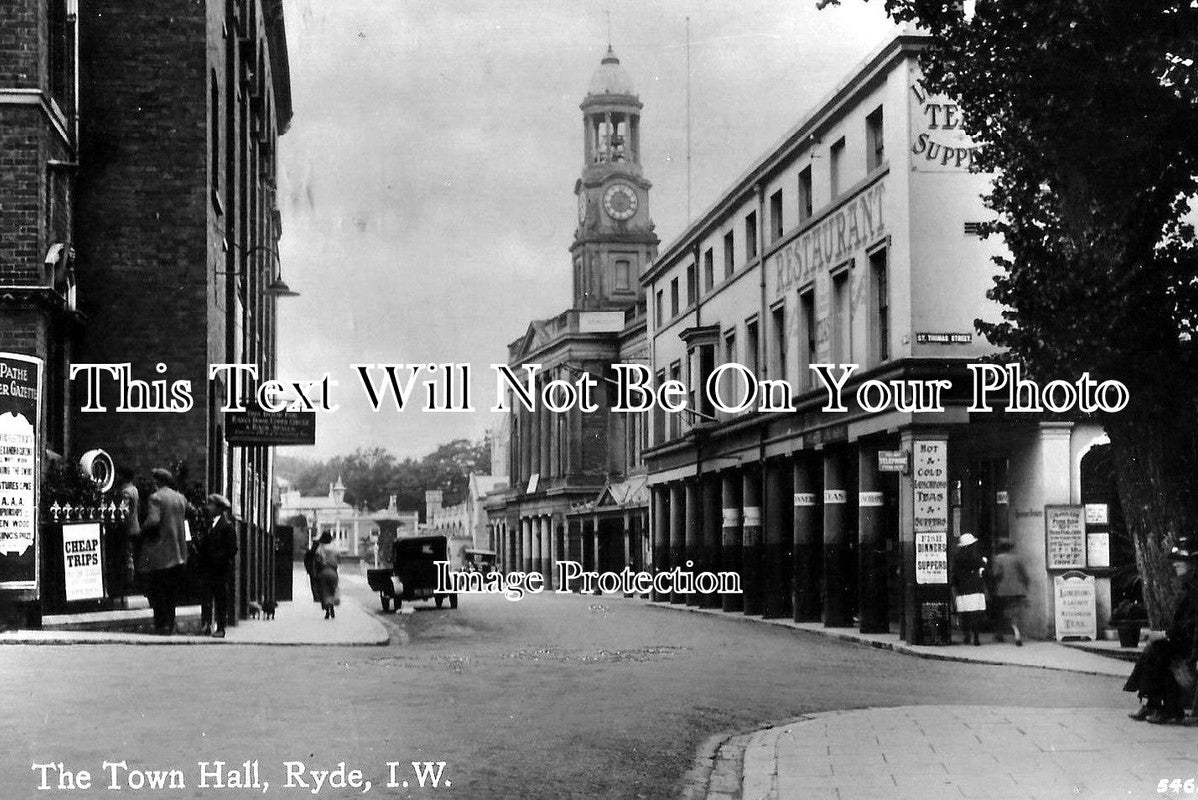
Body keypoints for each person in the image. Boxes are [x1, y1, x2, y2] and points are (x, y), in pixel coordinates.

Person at [1124, 536, 1198, 724]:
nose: (1176, 565)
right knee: (1154, 650)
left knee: (1157, 652)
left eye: (1181, 561)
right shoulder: (1190, 588)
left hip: (1192, 644)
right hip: (1186, 640)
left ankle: (1162, 707)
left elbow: (1189, 625)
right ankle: (1155, 705)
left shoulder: (1194, 591)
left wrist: (1164, 635)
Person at [138, 468, 190, 635]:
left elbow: (153, 521)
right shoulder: (180, 498)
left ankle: (161, 625)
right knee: (172, 593)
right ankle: (171, 624)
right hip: (179, 553)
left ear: (157, 482)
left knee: (158, 591)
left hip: (161, 552)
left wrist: (141, 531)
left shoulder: (156, 498)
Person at [195, 494, 237, 638]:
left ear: (219, 508)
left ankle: (220, 628)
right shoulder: (210, 524)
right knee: (206, 598)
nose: (208, 507)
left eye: (211, 504)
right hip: (208, 569)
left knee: (220, 599)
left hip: (220, 570)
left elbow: (232, 549)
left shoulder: (227, 526)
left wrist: (217, 558)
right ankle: (206, 625)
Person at [991, 541, 1030, 646]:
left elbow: (996, 574)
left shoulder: (997, 559)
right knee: (1014, 612)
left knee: (1001, 613)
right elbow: (1025, 575)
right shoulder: (1016, 558)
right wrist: (1025, 587)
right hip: (1018, 590)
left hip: (1003, 591)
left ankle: (1002, 634)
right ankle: (1016, 633)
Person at [952, 533, 988, 646]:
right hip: (975, 587)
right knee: (976, 614)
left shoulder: (957, 558)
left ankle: (967, 636)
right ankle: (976, 638)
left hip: (962, 588)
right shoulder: (976, 557)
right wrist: (984, 562)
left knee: (965, 614)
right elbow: (983, 566)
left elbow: (955, 574)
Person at [115, 465, 140, 597]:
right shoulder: (134, 489)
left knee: (128, 555)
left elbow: (124, 510)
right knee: (133, 554)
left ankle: (129, 582)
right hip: (136, 525)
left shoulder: (126, 492)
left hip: (128, 527)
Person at [314, 531, 340, 620]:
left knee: (324, 591)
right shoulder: (335, 549)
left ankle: (327, 610)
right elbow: (339, 560)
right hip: (333, 572)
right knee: (332, 590)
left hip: (323, 571)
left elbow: (317, 561)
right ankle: (331, 606)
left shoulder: (319, 549)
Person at [303, 536, 321, 603]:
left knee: (313, 583)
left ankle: (316, 597)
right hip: (317, 570)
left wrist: (307, 569)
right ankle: (318, 596)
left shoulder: (309, 552)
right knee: (317, 583)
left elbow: (305, 561)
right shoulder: (318, 552)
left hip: (312, 570)